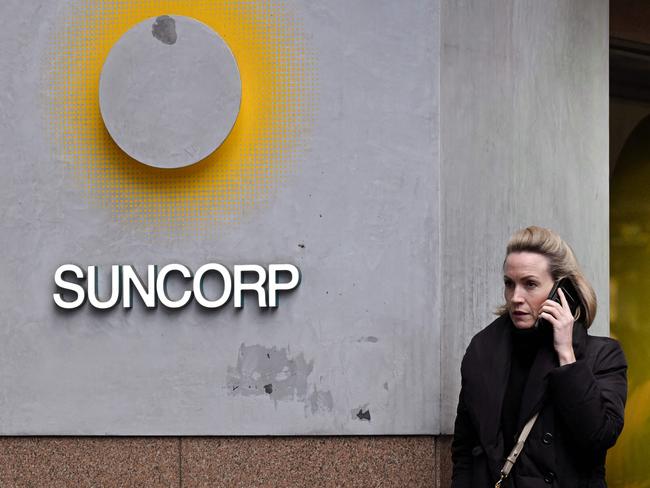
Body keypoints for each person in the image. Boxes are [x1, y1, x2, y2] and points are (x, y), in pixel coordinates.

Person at [451, 226, 627, 488]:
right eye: (509, 284)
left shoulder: (601, 356)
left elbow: (598, 436)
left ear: (562, 290)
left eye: (530, 284)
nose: (516, 298)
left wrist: (566, 354)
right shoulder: (482, 351)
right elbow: (464, 450)